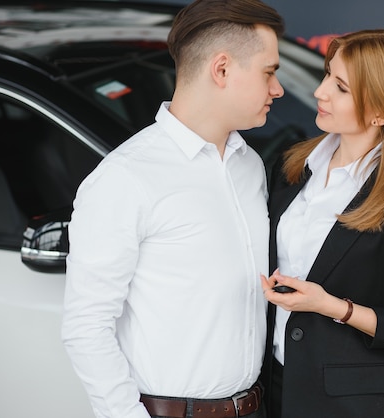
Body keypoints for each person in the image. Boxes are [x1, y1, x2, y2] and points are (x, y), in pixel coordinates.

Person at [61, 1, 284, 417]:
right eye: (269, 72)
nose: (278, 89)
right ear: (221, 69)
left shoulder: (249, 165)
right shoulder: (125, 178)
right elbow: (86, 326)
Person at [260, 29, 384, 418]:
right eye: (327, 74)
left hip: (351, 405)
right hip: (272, 387)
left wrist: (331, 306)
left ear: (381, 112)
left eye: (341, 87)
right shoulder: (293, 164)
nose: (320, 92)